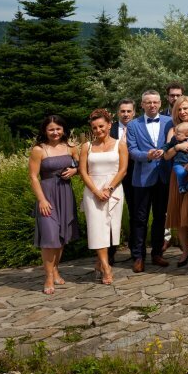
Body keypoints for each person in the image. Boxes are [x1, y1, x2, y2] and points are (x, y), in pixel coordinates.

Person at [28, 115, 79, 295]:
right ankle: (49, 276)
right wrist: (41, 200)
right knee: (49, 238)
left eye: (58, 129)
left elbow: (82, 166)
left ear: (63, 129)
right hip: (47, 195)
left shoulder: (71, 148)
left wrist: (75, 170)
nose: (55, 132)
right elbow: (33, 177)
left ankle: (55, 269)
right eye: (51, 129)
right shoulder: (38, 150)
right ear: (45, 131)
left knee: (61, 236)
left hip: (65, 194)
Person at [79, 108, 128, 285]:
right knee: (96, 228)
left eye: (101, 126)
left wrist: (109, 188)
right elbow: (83, 172)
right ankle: (107, 268)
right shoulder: (87, 146)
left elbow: (123, 169)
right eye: (94, 128)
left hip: (114, 190)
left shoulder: (120, 145)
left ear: (109, 125)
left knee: (109, 229)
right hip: (93, 191)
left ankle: (100, 261)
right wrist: (96, 191)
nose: (98, 130)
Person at [126, 91, 172, 273]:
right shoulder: (133, 125)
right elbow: (132, 150)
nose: (152, 105)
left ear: (160, 103)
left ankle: (157, 253)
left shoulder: (169, 122)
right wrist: (147, 155)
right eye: (148, 102)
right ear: (142, 104)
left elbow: (173, 143)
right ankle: (138, 256)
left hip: (163, 176)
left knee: (160, 217)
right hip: (142, 178)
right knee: (140, 219)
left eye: (155, 102)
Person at [162, 96, 188, 266]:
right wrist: (177, 147)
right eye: (179, 109)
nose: (183, 112)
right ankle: (186, 250)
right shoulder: (174, 130)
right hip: (177, 176)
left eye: (185, 108)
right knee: (179, 217)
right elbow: (166, 156)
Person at [109, 98, 137, 263]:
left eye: (129, 111)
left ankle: (135, 252)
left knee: (135, 214)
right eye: (122, 111)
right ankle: (110, 253)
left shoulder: (138, 128)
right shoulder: (109, 129)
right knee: (111, 214)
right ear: (117, 113)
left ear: (133, 112)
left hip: (134, 176)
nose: (126, 114)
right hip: (114, 177)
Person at [165, 122, 188, 193]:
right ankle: (181, 186)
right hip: (179, 163)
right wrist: (177, 147)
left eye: (178, 134)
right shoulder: (174, 139)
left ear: (187, 135)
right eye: (175, 133)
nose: (175, 135)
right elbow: (167, 150)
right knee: (181, 173)